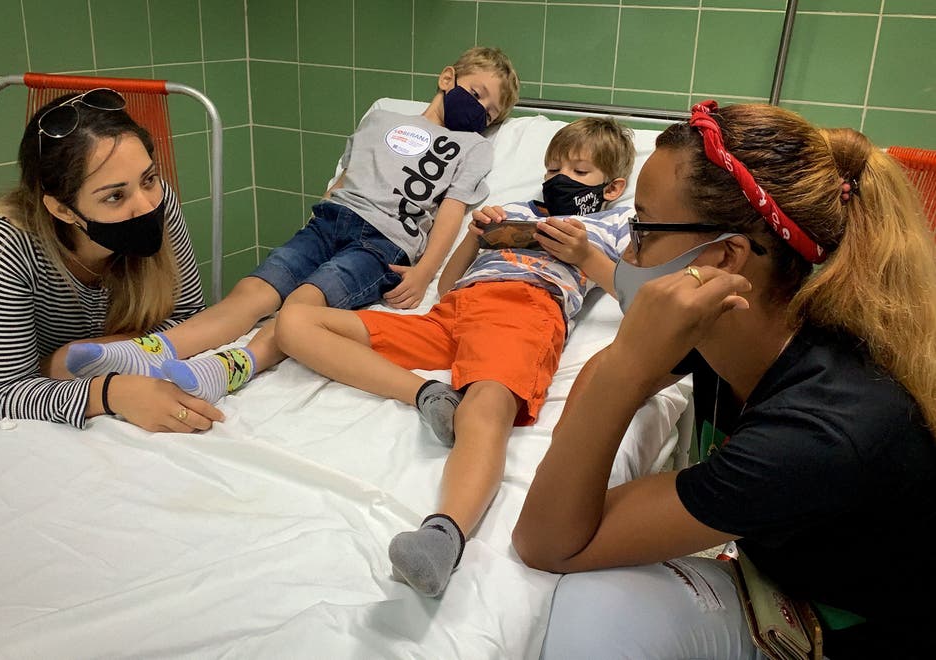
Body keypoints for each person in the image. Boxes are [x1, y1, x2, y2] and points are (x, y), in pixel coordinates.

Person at [512, 102, 936, 659]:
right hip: (776, 582)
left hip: (832, 633)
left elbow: (544, 542)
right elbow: (593, 381)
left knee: (597, 607)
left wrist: (628, 366)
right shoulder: (746, 322)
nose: (626, 252)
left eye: (642, 228)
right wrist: (619, 371)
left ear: (726, 256)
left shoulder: (821, 429)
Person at [274, 117, 636, 597]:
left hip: (523, 310)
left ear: (612, 187)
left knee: (487, 405)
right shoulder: (514, 210)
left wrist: (585, 255)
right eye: (552, 169)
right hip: (452, 313)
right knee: (294, 322)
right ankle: (429, 395)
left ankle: (443, 535)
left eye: (579, 171)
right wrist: (474, 235)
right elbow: (447, 286)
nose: (559, 178)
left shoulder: (616, 225)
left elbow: (637, 299)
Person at [64, 47, 521, 403]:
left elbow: (450, 213)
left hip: (382, 244)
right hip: (328, 222)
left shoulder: (472, 147)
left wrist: (423, 272)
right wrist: (320, 214)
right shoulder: (381, 118)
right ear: (447, 79)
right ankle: (150, 351)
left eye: (490, 113)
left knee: (300, 308)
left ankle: (231, 367)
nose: (480, 111)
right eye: (477, 93)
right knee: (251, 293)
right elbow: (343, 178)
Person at [0, 89, 223, 433]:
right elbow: (8, 394)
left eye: (149, 179)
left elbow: (188, 318)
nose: (147, 206)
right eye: (115, 196)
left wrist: (88, 355)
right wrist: (112, 391)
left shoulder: (158, 200)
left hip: (88, 385)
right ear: (62, 209)